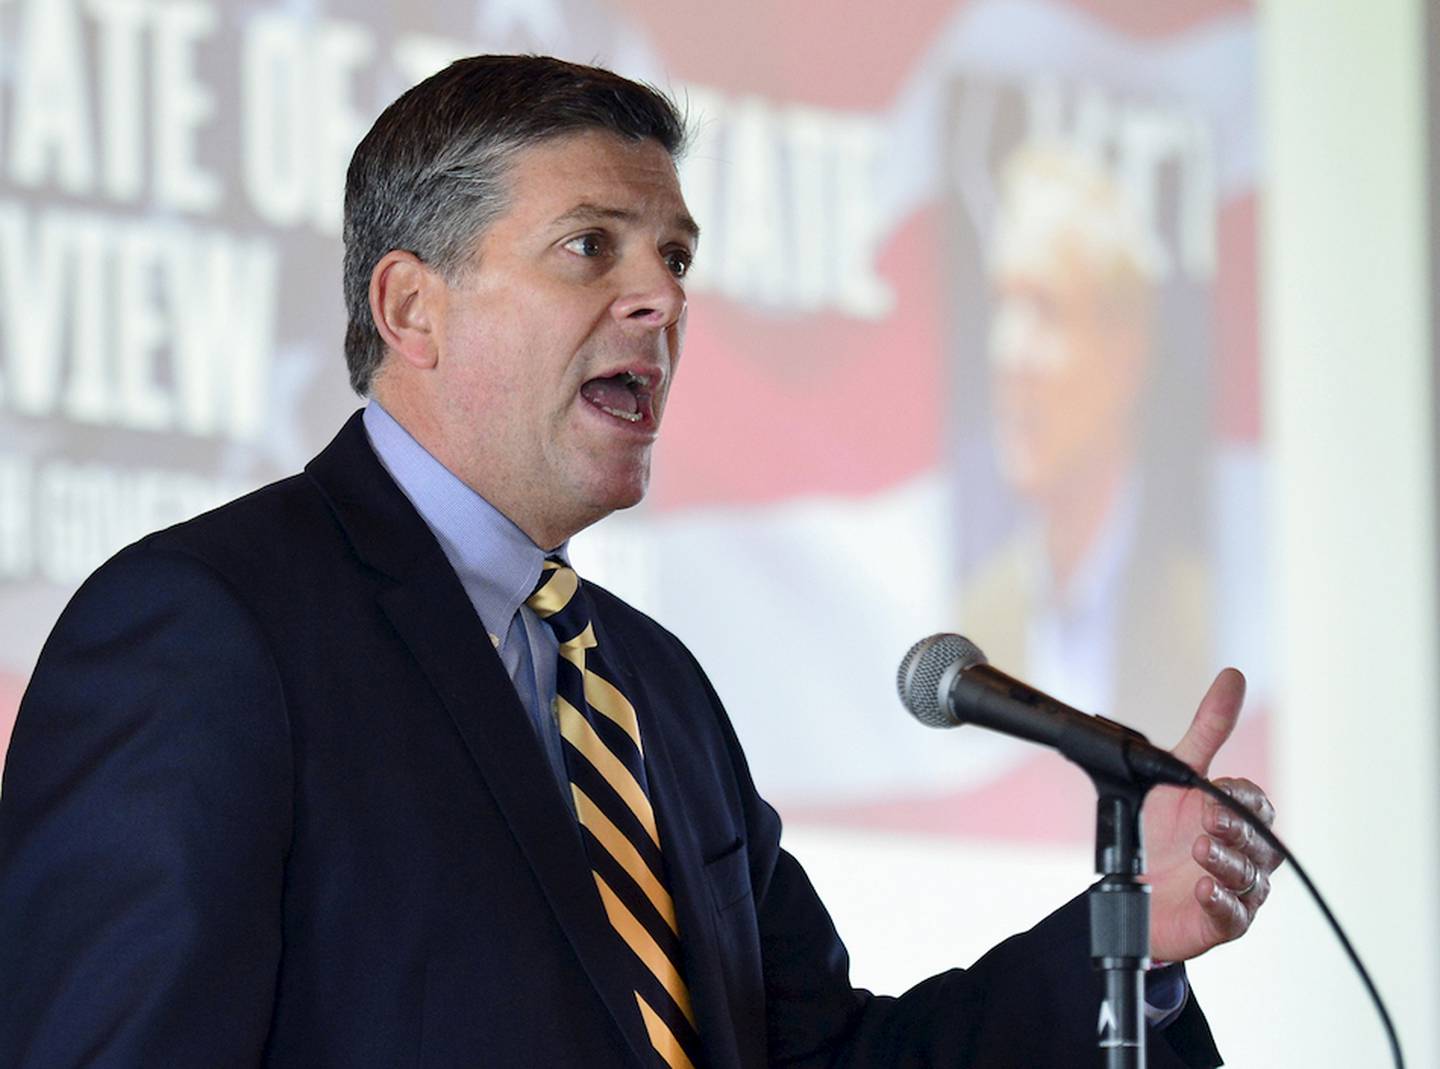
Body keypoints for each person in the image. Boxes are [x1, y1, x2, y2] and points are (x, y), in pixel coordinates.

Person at [0, 56, 1278, 1068]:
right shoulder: (207, 629)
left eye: (674, 256)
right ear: (410, 309)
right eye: (589, 247)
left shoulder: (650, 687)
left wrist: (1131, 942)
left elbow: (821, 1056)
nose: (661, 300)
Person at [961, 143, 1211, 744]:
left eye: (1045, 309)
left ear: (1126, 351)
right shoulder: (976, 617)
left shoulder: (1198, 618)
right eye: (1003, 305)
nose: (1008, 354)